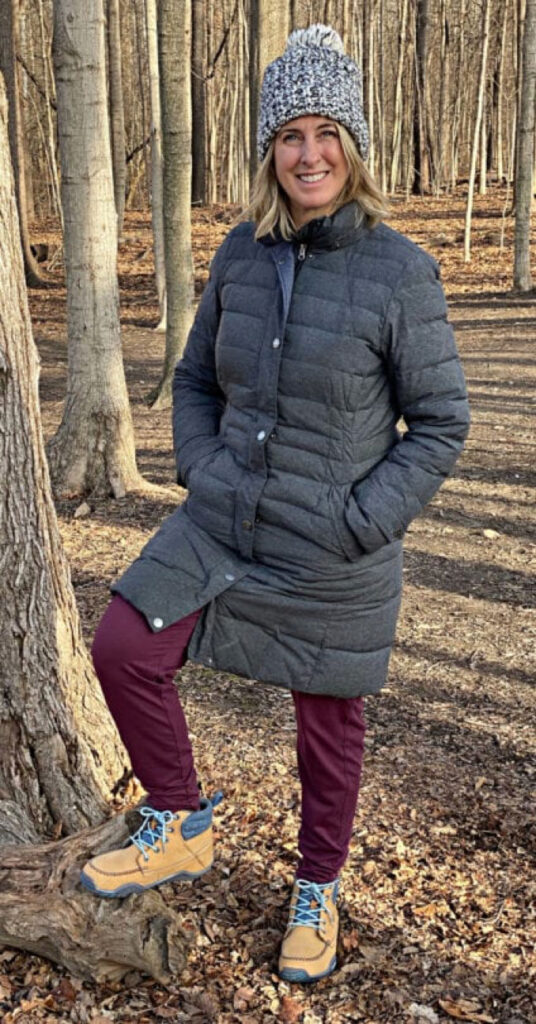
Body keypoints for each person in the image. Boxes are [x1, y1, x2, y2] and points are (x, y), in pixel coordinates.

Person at [81, 25, 470, 983]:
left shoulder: (400, 271)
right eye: (291, 134)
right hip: (224, 515)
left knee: (328, 730)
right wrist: (200, 464)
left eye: (326, 132)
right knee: (124, 646)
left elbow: (441, 422)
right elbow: (193, 380)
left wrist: (361, 520)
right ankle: (180, 817)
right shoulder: (240, 253)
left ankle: (317, 890)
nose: (309, 153)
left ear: (354, 145)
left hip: (335, 545)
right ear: (269, 149)